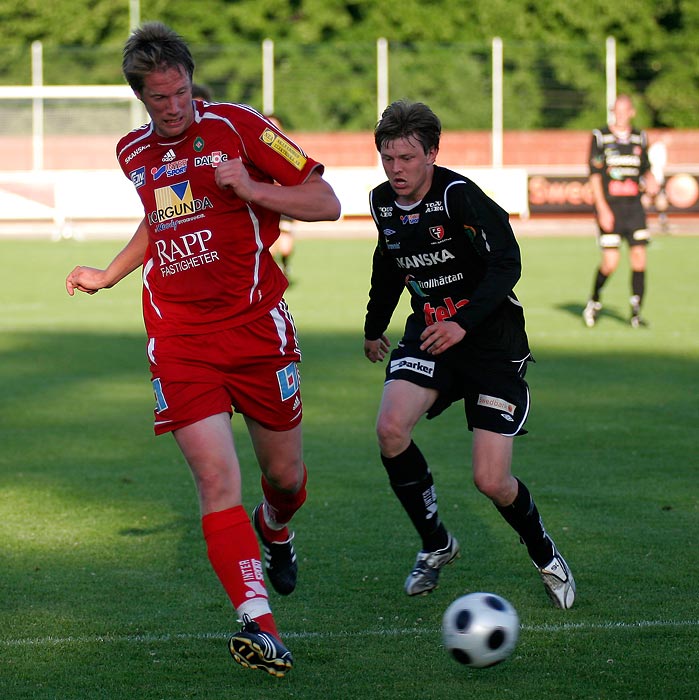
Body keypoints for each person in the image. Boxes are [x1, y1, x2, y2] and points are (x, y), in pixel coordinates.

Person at [65, 22, 340, 678]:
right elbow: (161, 216)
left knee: (286, 479)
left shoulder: (239, 127)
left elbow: (325, 201)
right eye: (158, 98)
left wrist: (251, 189)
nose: (172, 106)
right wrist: (109, 273)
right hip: (179, 338)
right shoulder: (131, 151)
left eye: (180, 91)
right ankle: (258, 623)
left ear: (192, 81)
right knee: (216, 478)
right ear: (141, 97)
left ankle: (275, 531)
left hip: (256, 331)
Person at [362, 100, 575, 610]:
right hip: (432, 332)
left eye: (407, 158)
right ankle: (436, 543)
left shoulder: (459, 196)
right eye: (388, 158)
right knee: (391, 428)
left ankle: (545, 553)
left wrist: (462, 322)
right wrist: (374, 327)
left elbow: (508, 262)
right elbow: (389, 262)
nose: (396, 170)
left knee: (491, 480)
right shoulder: (381, 202)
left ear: (432, 153)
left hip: (490, 340)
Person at [583, 94, 659, 328]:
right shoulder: (600, 136)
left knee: (639, 259)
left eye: (625, 110)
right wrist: (602, 208)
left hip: (634, 208)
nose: (621, 114)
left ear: (632, 112)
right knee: (610, 262)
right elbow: (595, 176)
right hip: (611, 207)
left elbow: (645, 168)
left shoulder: (640, 137)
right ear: (613, 111)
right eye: (617, 110)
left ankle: (635, 313)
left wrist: (652, 181)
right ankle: (594, 300)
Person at [267, 114, 296, 280]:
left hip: (284, 200)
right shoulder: (252, 148)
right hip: (264, 201)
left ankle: (284, 265)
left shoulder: (288, 149)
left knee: (285, 244)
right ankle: (273, 271)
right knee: (268, 244)